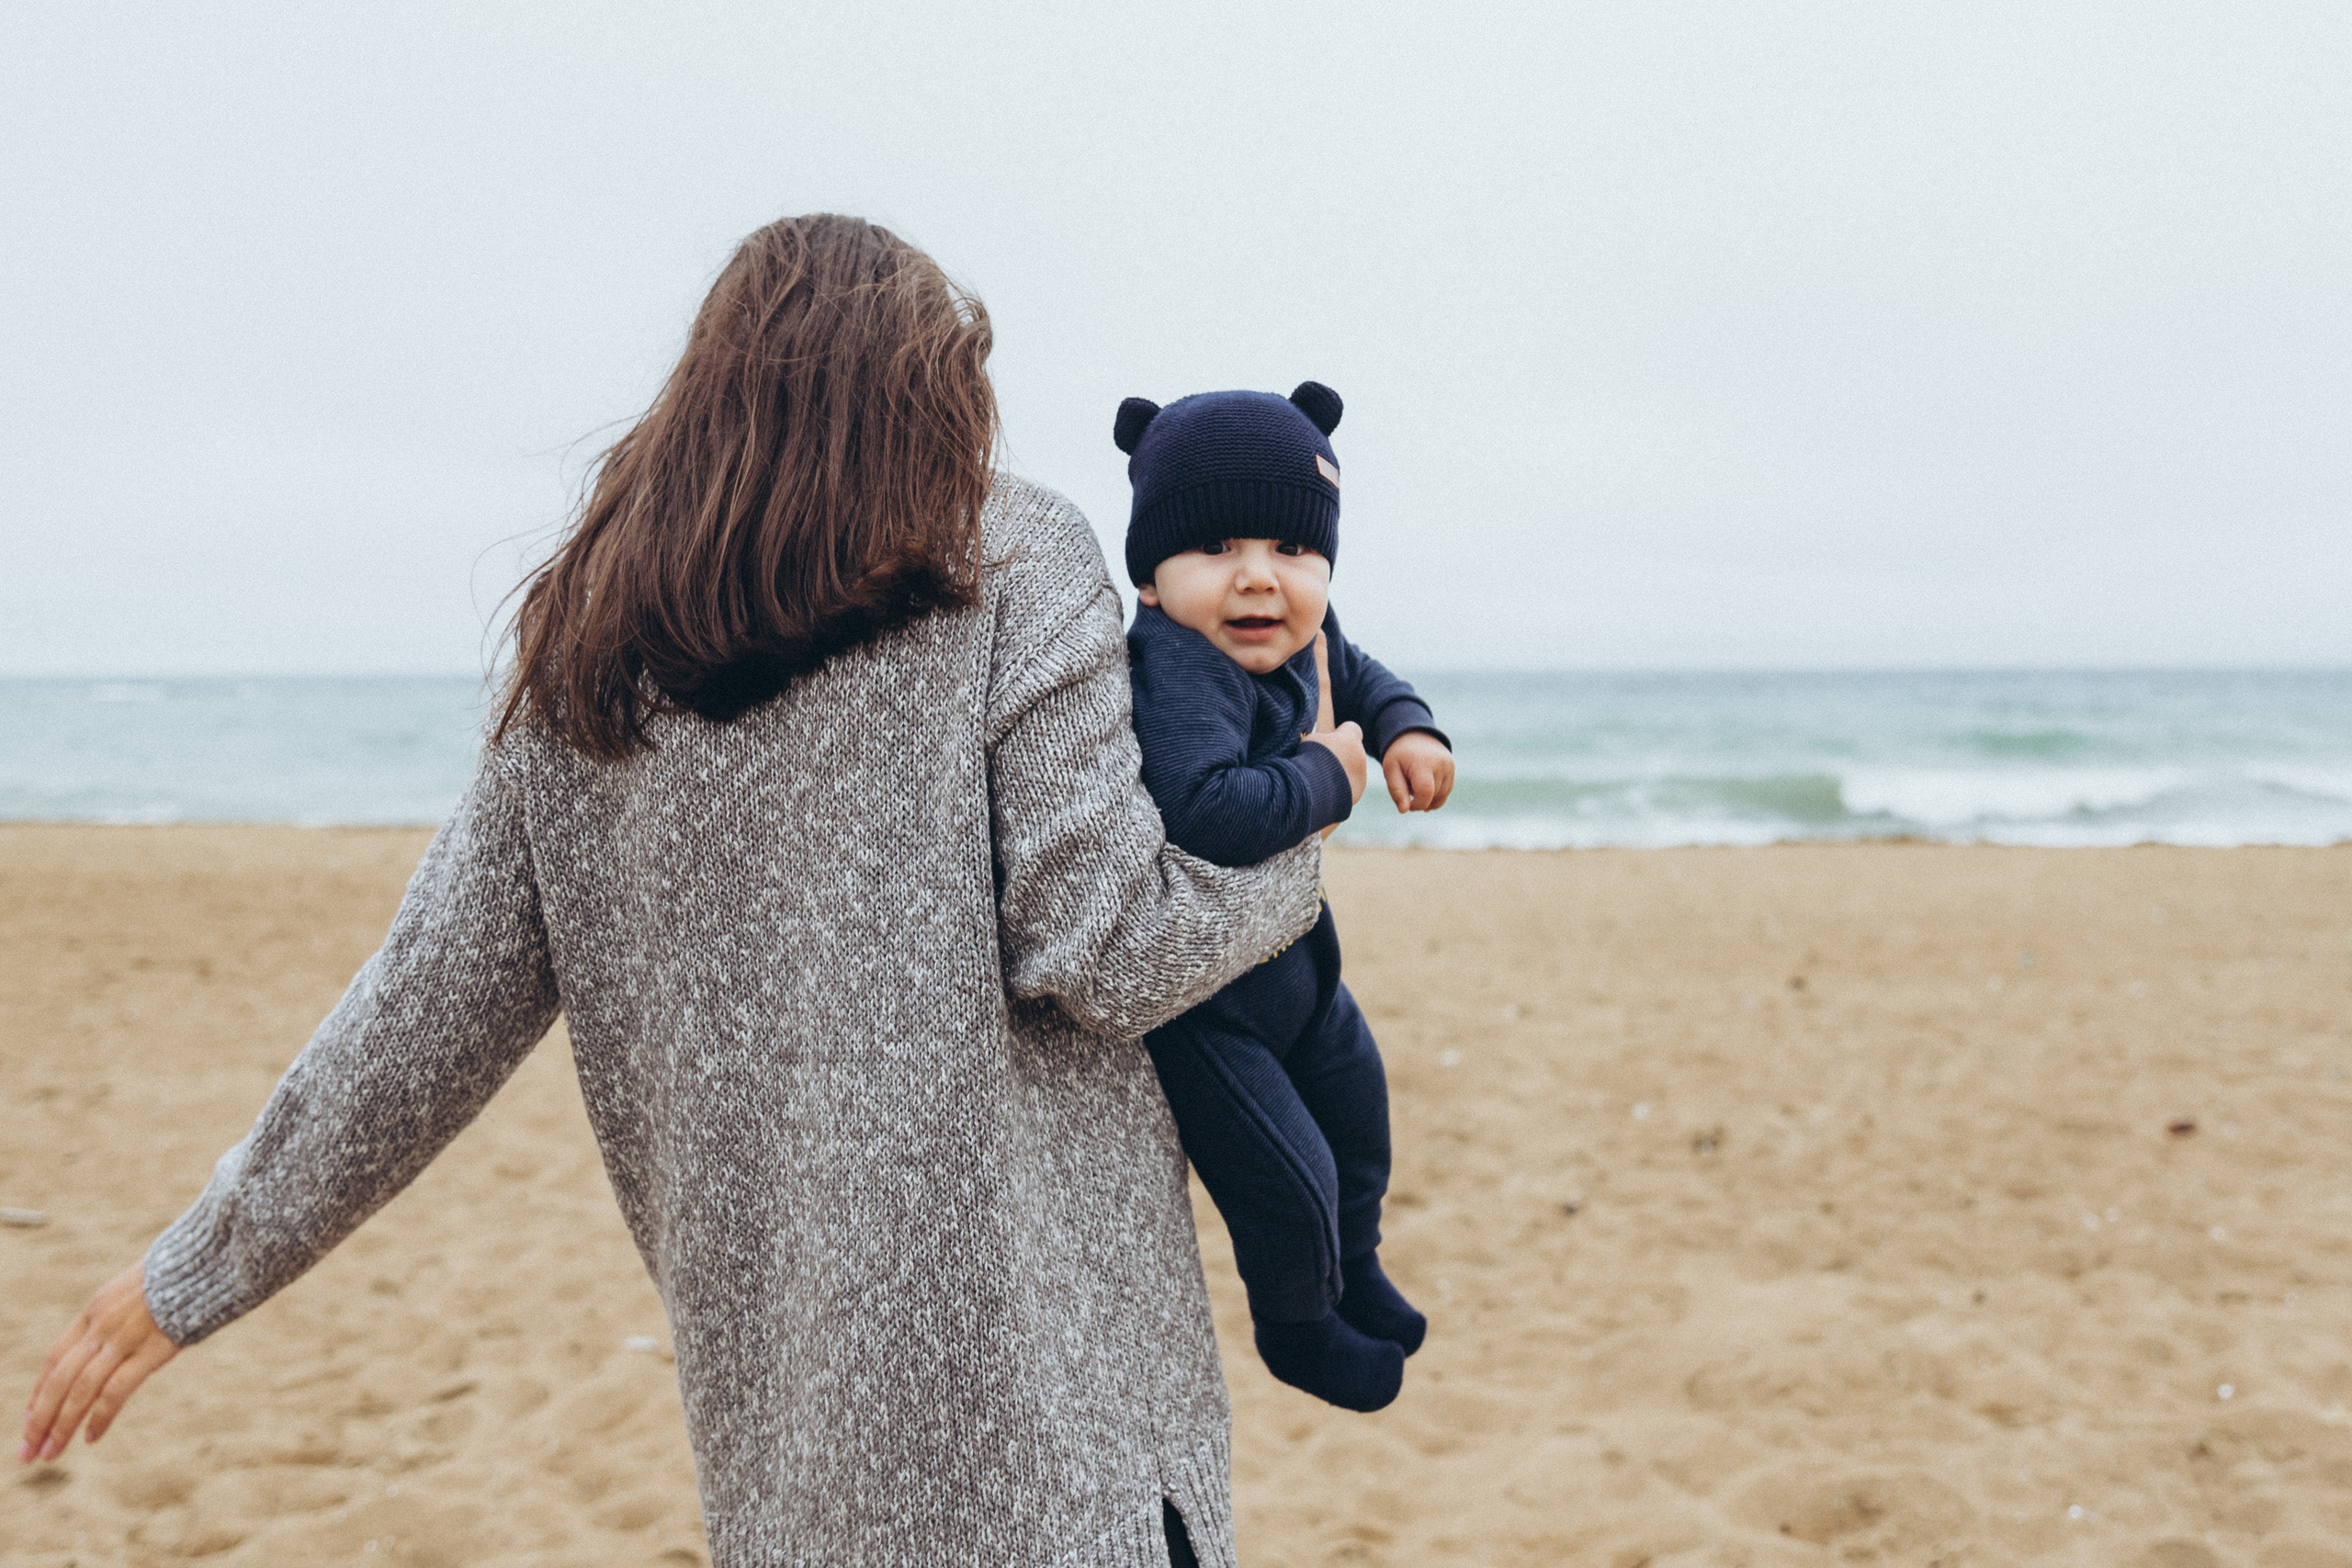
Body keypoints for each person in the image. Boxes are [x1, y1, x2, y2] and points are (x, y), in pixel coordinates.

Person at [17, 215, 1351, 1568]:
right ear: (924, 394)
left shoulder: (586, 650)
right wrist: (1311, 815)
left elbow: (416, 1019)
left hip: (799, 1470)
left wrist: (197, 1263)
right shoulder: (1013, 553)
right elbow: (1106, 946)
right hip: (1073, 1439)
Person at [1113, 384, 1454, 1413]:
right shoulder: (1175, 671)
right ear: (1152, 581)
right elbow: (1204, 807)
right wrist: (1328, 778)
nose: (1259, 578)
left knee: (1358, 1116)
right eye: (1216, 548)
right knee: (1285, 1178)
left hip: (1301, 968)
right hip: (1208, 1006)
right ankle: (1299, 1326)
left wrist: (1405, 729)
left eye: (1291, 552)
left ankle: (1358, 1269)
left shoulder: (1306, 634)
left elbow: (1361, 671)